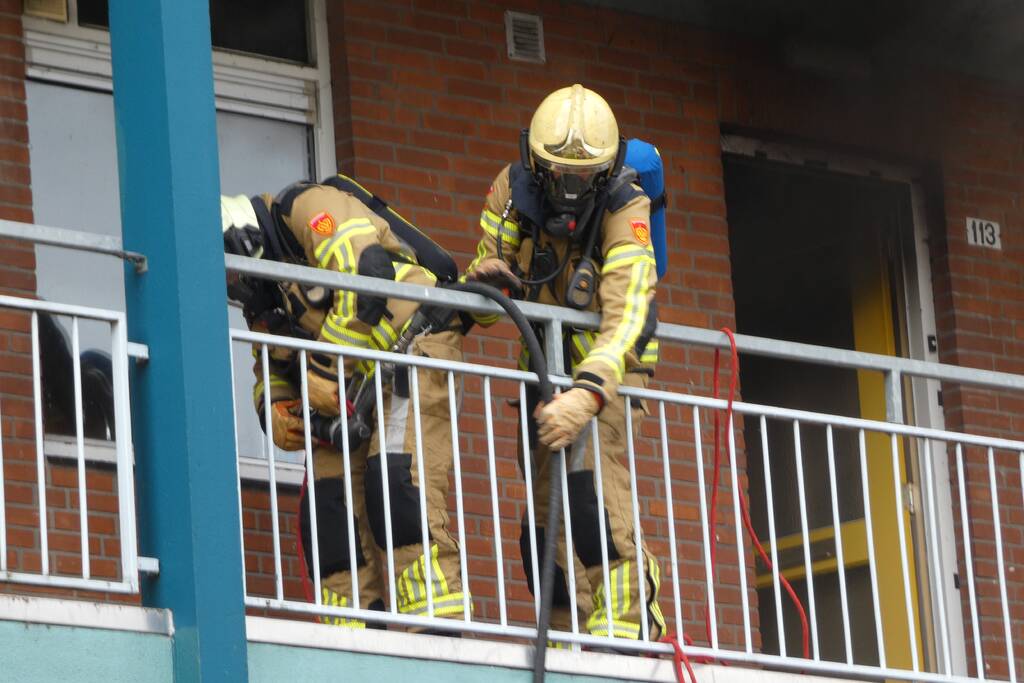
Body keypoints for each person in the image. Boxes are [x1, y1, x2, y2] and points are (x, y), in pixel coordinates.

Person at [464, 84, 665, 642]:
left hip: (607, 373)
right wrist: (483, 281)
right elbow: (487, 306)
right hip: (543, 370)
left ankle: (628, 626)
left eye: (583, 179)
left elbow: (627, 313)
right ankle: (565, 627)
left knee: (592, 494)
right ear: (536, 163)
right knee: (545, 515)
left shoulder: (627, 205)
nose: (570, 190)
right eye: (559, 176)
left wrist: (589, 394)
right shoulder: (510, 192)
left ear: (605, 173)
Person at [221, 178, 468, 626]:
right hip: (347, 390)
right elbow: (269, 364)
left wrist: (320, 370)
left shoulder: (307, 208)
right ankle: (354, 647)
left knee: (395, 486)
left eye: (229, 273)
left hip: (411, 347)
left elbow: (367, 272)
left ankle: (434, 632)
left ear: (242, 240)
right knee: (328, 510)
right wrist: (275, 410)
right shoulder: (265, 292)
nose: (232, 286)